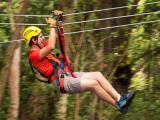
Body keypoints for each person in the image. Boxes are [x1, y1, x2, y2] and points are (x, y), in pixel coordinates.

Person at [23, 10, 135, 113]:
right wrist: (52, 24)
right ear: (34, 40)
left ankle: (120, 99)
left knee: (97, 75)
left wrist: (58, 22)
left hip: (67, 75)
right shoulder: (34, 55)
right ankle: (118, 106)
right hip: (62, 82)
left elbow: (55, 36)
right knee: (94, 84)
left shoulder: (42, 47)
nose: (44, 38)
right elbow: (52, 45)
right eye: (41, 36)